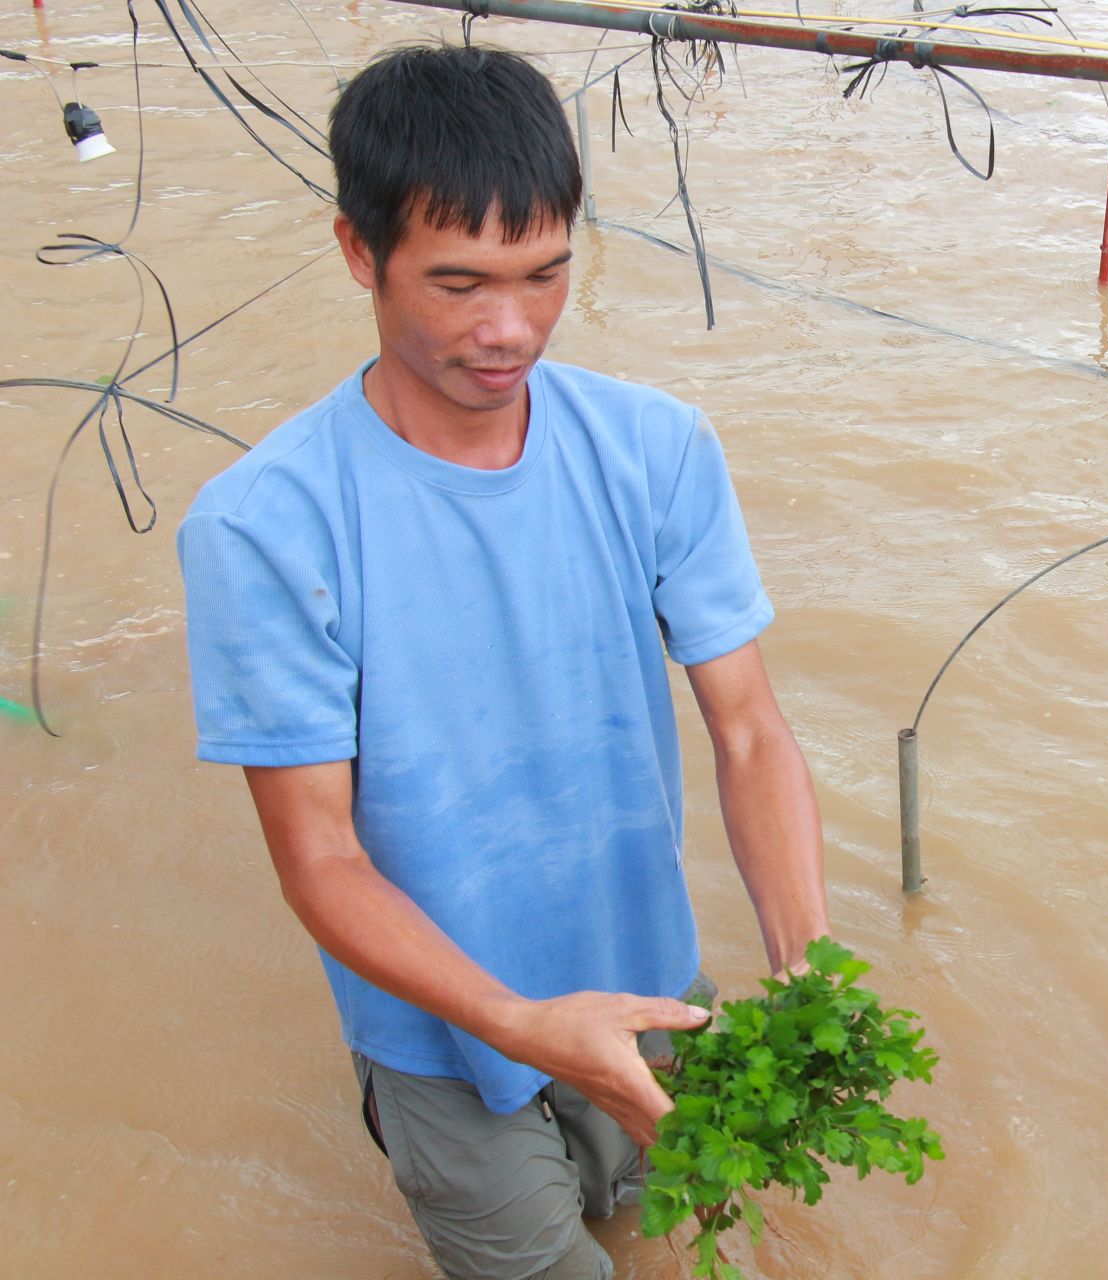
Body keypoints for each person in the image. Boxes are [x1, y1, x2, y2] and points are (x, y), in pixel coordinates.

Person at [175, 43, 829, 1280]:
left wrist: (805, 968)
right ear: (358, 251)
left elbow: (748, 730)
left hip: (649, 989)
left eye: (544, 276)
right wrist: (523, 1022)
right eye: (459, 282)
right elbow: (320, 857)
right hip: (444, 1039)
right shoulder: (265, 523)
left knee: (660, 1230)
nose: (508, 328)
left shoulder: (656, 449)